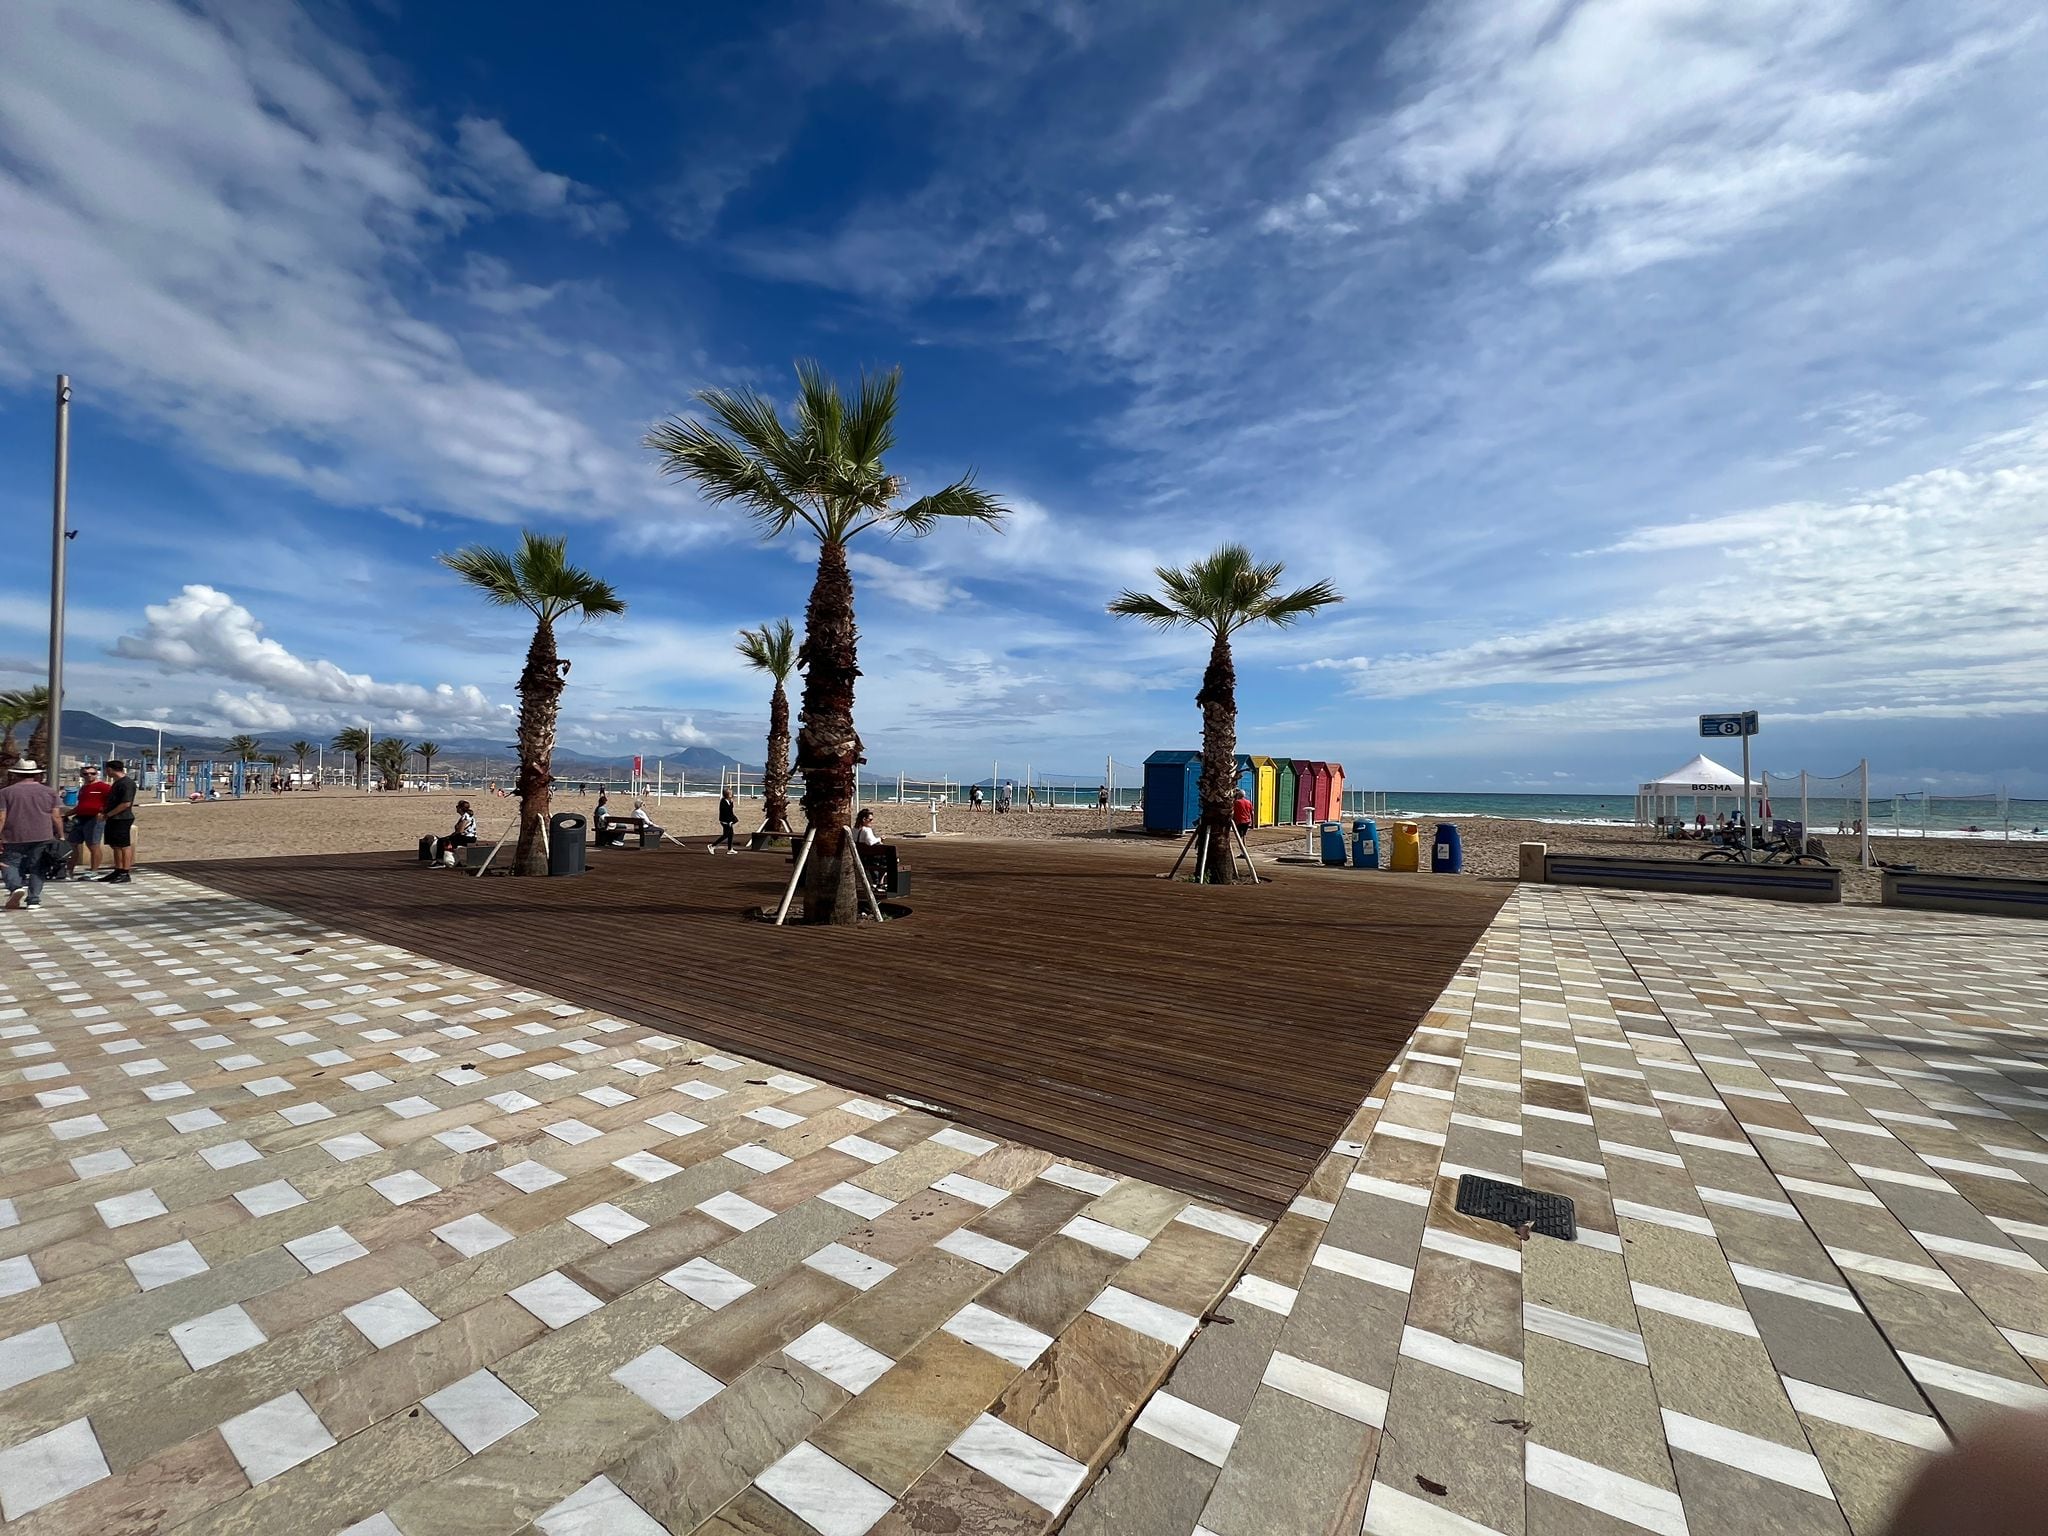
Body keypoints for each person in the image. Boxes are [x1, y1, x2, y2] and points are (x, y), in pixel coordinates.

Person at [1, 761, 65, 911]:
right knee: (38, 867)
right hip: (43, 835)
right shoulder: (49, 792)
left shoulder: (5, 792)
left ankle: (15, 887)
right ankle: (33, 900)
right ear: (36, 774)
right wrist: (61, 835)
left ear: (15, 774)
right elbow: (56, 816)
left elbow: (1, 817)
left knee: (10, 864)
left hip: (13, 835)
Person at [65, 764, 110, 880]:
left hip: (94, 819)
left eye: (92, 773)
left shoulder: (103, 787)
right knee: (72, 844)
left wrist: (104, 813)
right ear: (82, 775)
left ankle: (94, 871)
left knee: (93, 845)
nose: (89, 776)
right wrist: (66, 814)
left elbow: (112, 801)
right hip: (80, 818)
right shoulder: (83, 788)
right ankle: (69, 870)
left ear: (97, 774)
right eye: (86, 774)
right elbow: (81, 805)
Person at [99, 760, 137, 883]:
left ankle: (125, 871)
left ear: (110, 769)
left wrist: (109, 814)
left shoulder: (127, 783)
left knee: (123, 845)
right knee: (115, 845)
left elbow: (126, 803)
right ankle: (118, 869)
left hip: (122, 818)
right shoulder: (117, 783)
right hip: (113, 818)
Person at [712, 788, 738, 853]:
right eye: (730, 793)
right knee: (726, 834)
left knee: (731, 834)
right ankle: (712, 846)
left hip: (728, 820)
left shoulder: (729, 801)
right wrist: (730, 821)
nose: (731, 794)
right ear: (726, 794)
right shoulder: (723, 801)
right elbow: (726, 812)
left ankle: (730, 849)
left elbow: (731, 811)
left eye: (731, 793)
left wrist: (733, 820)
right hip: (725, 821)